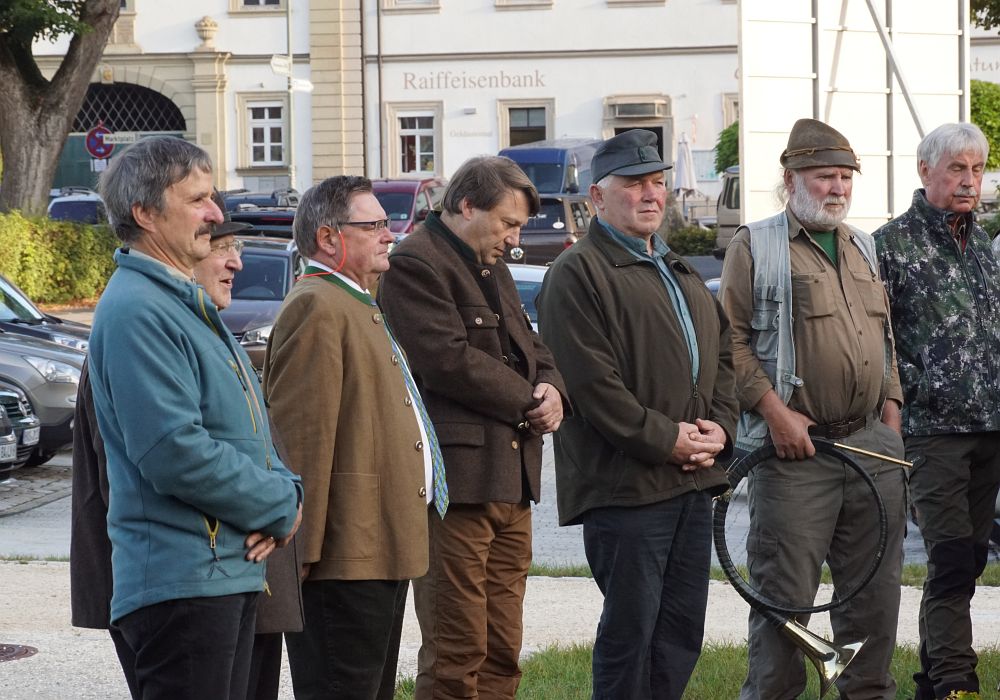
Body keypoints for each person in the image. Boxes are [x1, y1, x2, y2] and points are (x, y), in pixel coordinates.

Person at [87, 136, 302, 700]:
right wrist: (279, 504)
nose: (214, 213)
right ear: (145, 214)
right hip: (183, 584)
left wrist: (289, 491)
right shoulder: (138, 309)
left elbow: (250, 432)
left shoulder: (182, 303)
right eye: (198, 199)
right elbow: (174, 451)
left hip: (218, 574)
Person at [535, 129, 737, 700]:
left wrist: (720, 429)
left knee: (679, 636)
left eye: (656, 182)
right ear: (597, 197)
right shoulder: (577, 272)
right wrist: (666, 439)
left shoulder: (678, 267)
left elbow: (725, 356)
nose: (650, 194)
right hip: (626, 490)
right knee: (632, 636)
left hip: (692, 481)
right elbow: (591, 386)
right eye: (633, 184)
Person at [718, 118, 907, 699]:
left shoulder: (862, 245)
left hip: (873, 447)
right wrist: (775, 413)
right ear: (791, 180)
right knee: (784, 602)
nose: (837, 188)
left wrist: (891, 409)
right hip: (796, 455)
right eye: (825, 176)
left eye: (845, 177)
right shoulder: (755, 244)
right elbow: (731, 342)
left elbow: (885, 338)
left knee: (876, 599)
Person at [378, 156, 567, 700]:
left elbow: (531, 345)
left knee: (503, 647)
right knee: (456, 650)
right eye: (507, 223)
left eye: (519, 227)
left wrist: (554, 390)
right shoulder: (415, 263)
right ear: (466, 206)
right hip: (457, 488)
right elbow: (447, 359)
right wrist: (530, 401)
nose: (514, 239)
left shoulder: (490, 263)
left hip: (511, 482)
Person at [262, 176, 436, 700]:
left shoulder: (354, 299)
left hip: (372, 546)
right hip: (341, 556)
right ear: (328, 237)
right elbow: (302, 439)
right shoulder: (317, 305)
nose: (390, 234)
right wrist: (302, 551)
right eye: (373, 225)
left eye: (387, 223)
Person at [874, 122, 1000, 700]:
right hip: (931, 431)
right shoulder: (890, 245)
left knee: (969, 558)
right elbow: (877, 341)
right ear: (926, 171)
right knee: (949, 557)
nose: (969, 181)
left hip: (990, 426)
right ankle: (956, 681)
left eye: (977, 169)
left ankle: (932, 678)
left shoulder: (986, 244)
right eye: (957, 169)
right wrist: (894, 410)